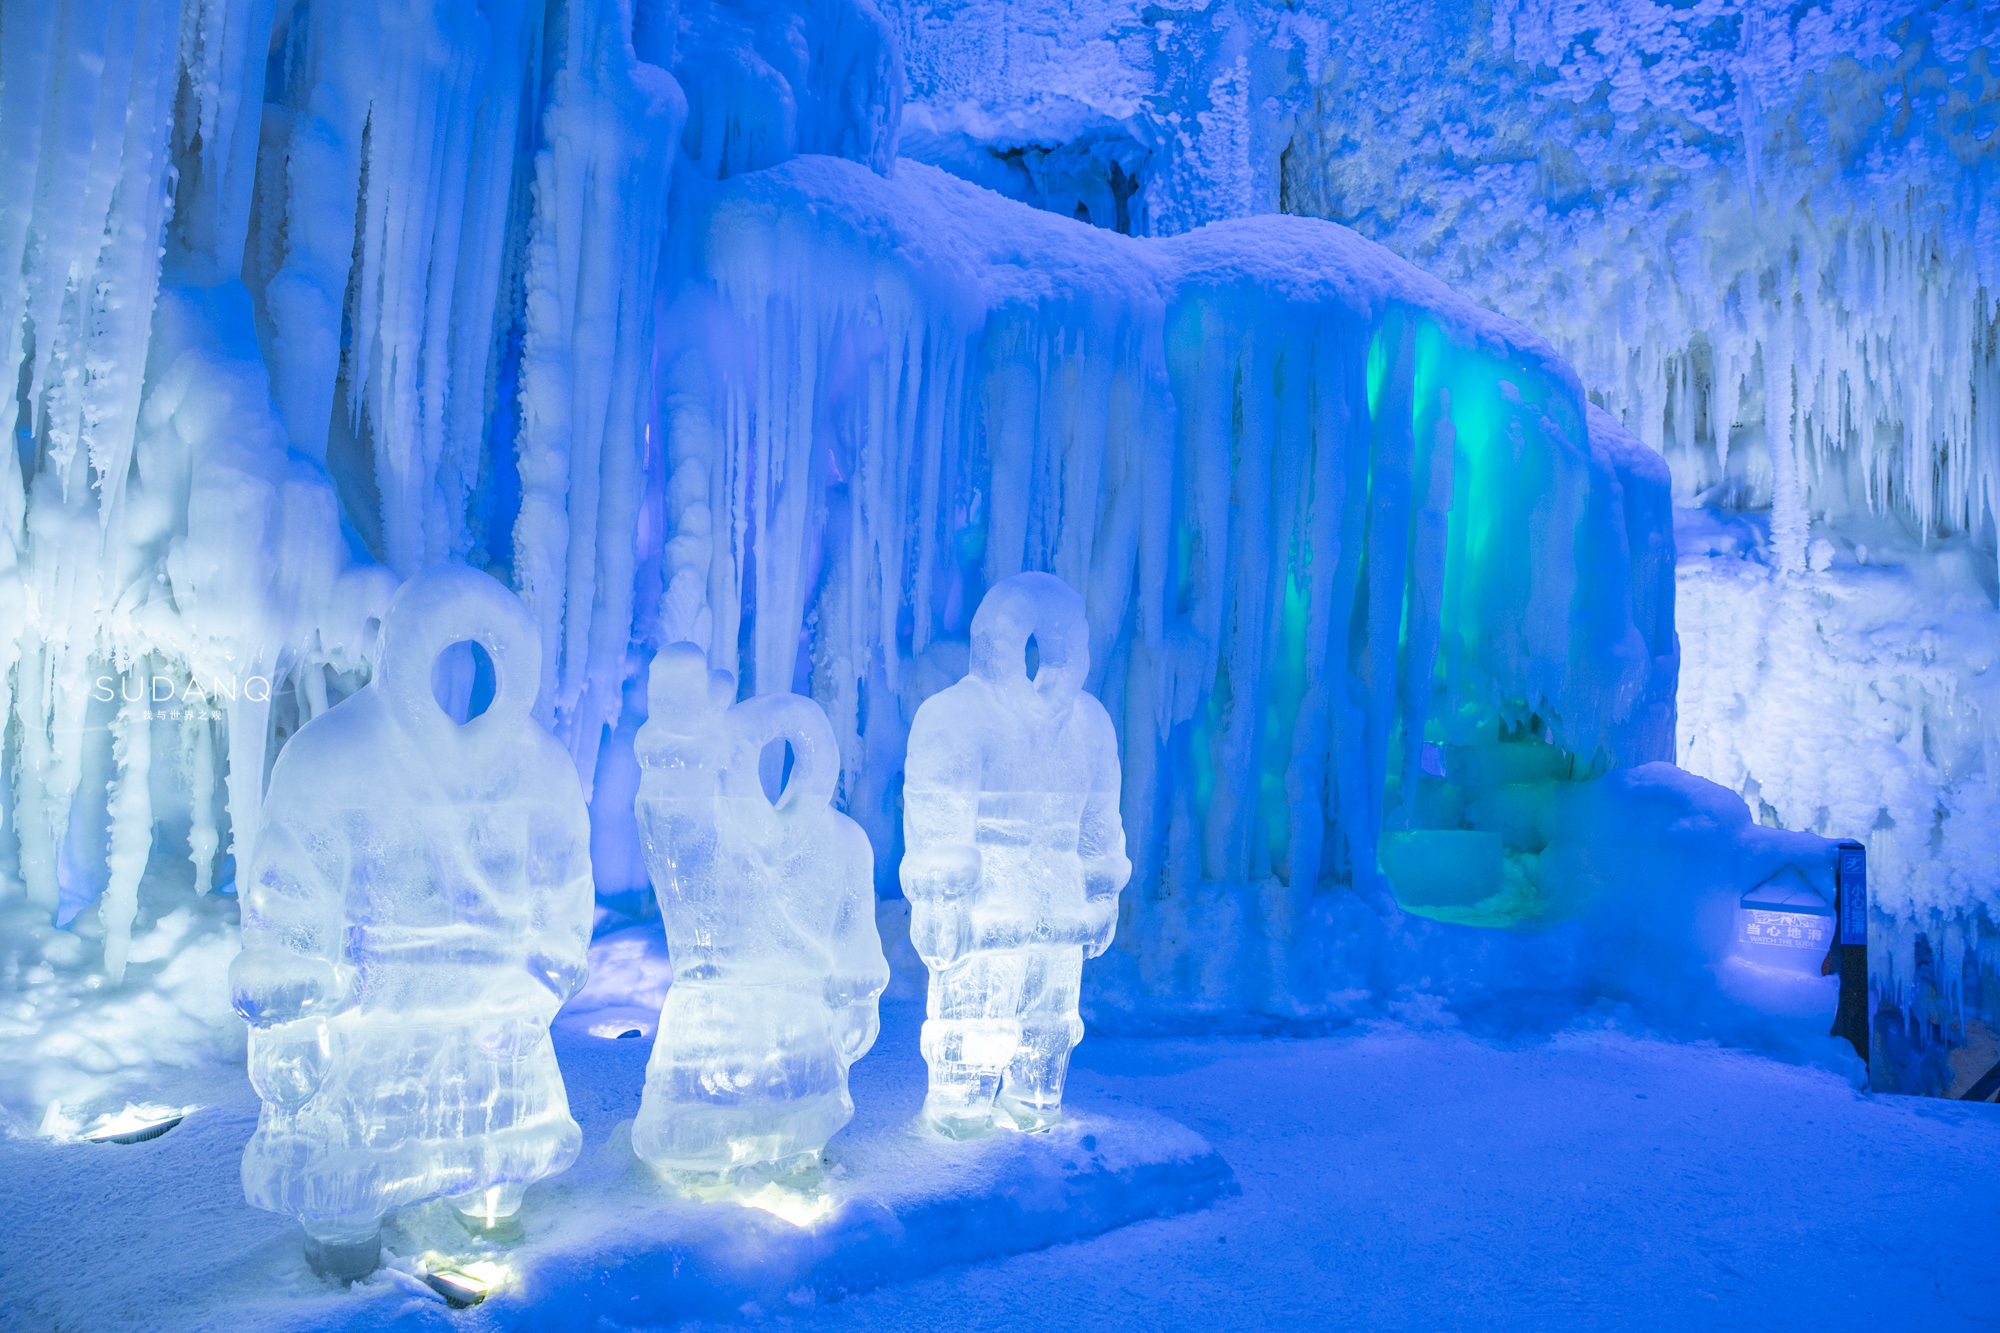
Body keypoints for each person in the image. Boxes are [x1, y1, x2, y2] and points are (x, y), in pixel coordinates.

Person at [230, 566, 593, 1279]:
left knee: (492, 1164)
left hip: (489, 1040)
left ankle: (483, 1210)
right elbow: (288, 896)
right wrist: (290, 1013)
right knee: (346, 1184)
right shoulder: (333, 758)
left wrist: (536, 990)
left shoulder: (540, 771)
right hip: (367, 1033)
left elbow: (564, 899)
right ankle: (345, 1256)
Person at [902, 572, 1131, 1138]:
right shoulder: (955, 715)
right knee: (970, 1039)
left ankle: (1036, 1105)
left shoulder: (1090, 725)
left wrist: (1102, 891)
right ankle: (960, 1116)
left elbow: (1099, 824)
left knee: (1049, 1035)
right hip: (986, 919)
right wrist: (940, 903)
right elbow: (939, 820)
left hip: (1058, 915)